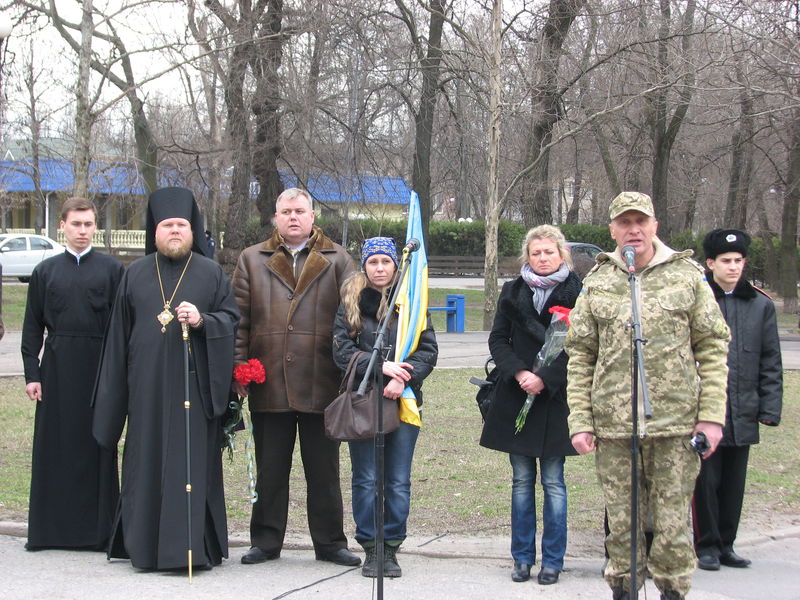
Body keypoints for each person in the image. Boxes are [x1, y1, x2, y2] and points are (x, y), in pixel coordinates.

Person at [565, 191, 731, 600]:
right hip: (615, 427)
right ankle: (624, 589)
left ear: (655, 225)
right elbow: (580, 355)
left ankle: (673, 591)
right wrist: (581, 420)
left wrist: (711, 416)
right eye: (624, 223)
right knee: (622, 525)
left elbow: (711, 347)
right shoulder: (597, 281)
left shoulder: (687, 275)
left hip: (674, 426)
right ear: (612, 230)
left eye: (641, 222)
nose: (633, 230)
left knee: (673, 525)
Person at [92, 187, 239, 570]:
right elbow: (116, 341)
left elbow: (231, 323)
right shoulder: (135, 274)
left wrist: (205, 321)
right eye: (168, 225)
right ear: (155, 231)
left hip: (194, 391)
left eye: (182, 225)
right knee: (145, 463)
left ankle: (193, 549)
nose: (175, 231)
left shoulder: (211, 273)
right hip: (146, 393)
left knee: (192, 467)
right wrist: (113, 398)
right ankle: (144, 547)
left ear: (194, 231)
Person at [233, 187, 359, 567]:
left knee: (324, 471)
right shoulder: (251, 259)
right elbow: (238, 321)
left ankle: (331, 543)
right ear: (275, 217)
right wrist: (239, 369)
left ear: (312, 215)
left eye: (299, 211)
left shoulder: (338, 259)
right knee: (271, 470)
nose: (293, 217)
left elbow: (356, 318)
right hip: (268, 379)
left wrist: (351, 370)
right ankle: (266, 541)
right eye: (285, 211)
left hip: (323, 379)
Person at [478, 225, 581, 586]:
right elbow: (498, 339)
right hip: (517, 395)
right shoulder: (513, 290)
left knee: (554, 482)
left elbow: (582, 347)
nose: (542, 258)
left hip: (554, 400)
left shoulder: (578, 292)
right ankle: (522, 557)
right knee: (521, 481)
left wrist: (546, 378)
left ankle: (553, 560)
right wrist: (521, 372)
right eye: (535, 253)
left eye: (548, 252)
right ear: (527, 256)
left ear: (561, 254)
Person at [21, 197, 124, 551]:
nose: (82, 231)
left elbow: (122, 327)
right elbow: (32, 328)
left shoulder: (113, 271)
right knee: (56, 447)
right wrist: (32, 375)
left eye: (88, 224)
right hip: (57, 371)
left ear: (95, 227)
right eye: (76, 224)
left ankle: (98, 533)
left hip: (99, 369)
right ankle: (51, 531)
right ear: (61, 225)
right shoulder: (45, 272)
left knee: (97, 445)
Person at [332, 237, 438, 578]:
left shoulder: (411, 302)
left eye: (386, 262)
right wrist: (380, 368)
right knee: (365, 478)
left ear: (396, 265)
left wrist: (402, 377)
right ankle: (370, 547)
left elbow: (427, 350)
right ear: (365, 265)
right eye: (373, 262)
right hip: (364, 401)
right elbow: (341, 351)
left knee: (397, 480)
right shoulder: (350, 302)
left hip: (402, 401)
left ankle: (391, 547)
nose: (380, 268)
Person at [692, 229, 782, 571]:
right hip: (704, 409)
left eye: (738, 261)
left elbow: (770, 360)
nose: (733, 267)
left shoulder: (760, 304)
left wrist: (769, 407)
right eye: (725, 261)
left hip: (743, 406)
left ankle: (728, 544)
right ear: (710, 263)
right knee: (705, 480)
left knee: (733, 482)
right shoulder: (699, 297)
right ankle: (707, 545)